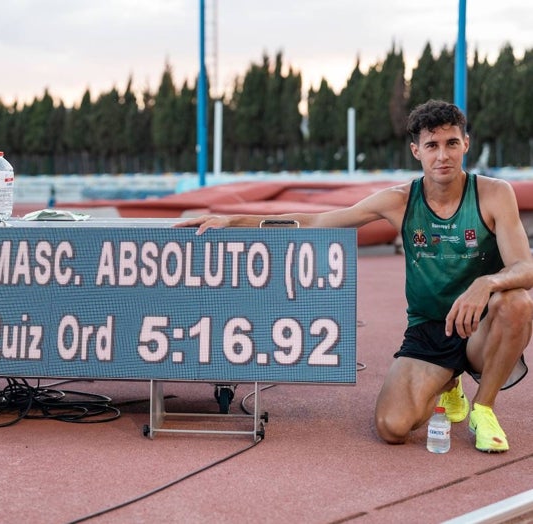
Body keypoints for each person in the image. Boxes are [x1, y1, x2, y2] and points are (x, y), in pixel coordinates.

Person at [176, 99, 533, 452]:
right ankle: (447, 381)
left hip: (478, 327)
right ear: (416, 151)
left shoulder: (493, 194)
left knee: (516, 300)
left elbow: (525, 267)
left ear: (465, 144)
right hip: (429, 328)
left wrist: (486, 283)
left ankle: (483, 409)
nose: (443, 156)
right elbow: (316, 220)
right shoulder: (400, 201)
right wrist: (233, 220)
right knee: (391, 427)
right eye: (432, 146)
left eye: (452, 143)